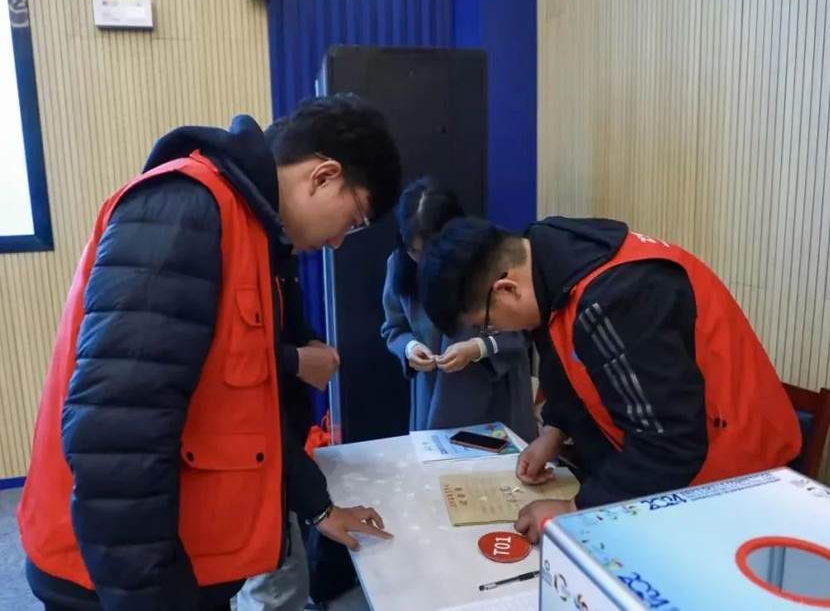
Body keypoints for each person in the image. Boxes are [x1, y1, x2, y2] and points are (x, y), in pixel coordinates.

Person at [17, 93, 401, 610]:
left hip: (180, 563)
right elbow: (115, 439)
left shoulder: (255, 237)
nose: (338, 243)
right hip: (111, 578)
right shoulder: (187, 210)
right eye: (353, 221)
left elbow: (247, 412)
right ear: (323, 176)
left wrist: (318, 508)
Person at [418, 216, 801, 542]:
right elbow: (566, 361)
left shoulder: (616, 297)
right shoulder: (548, 266)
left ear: (506, 289)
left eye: (486, 325)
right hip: (679, 465)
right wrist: (553, 432)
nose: (495, 332)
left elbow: (669, 444)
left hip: (737, 482)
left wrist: (573, 509)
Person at [381, 178, 535, 442]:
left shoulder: (493, 252)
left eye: (432, 249)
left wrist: (478, 347)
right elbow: (394, 328)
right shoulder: (399, 264)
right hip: (434, 398)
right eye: (415, 251)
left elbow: (526, 327)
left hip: (495, 396)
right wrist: (410, 349)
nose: (425, 261)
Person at [236, 255, 338, 611]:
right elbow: (227, 355)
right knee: (274, 584)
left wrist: (312, 344)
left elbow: (289, 324)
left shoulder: (279, 255)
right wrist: (319, 508)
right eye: (349, 226)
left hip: (282, 453)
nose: (336, 242)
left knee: (279, 577)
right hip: (257, 460)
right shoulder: (236, 252)